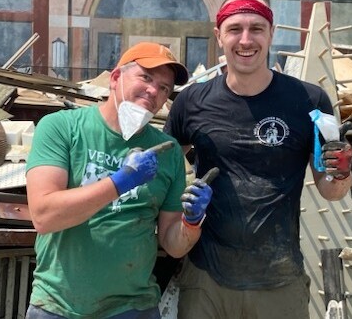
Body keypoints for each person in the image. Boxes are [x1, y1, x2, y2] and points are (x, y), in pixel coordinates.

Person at [163, 0, 352, 318]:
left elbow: (330, 188)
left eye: (257, 28)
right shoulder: (191, 101)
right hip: (207, 278)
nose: (246, 39)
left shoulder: (309, 100)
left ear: (271, 33)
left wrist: (341, 172)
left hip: (279, 281)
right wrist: (180, 208)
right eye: (235, 29)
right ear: (219, 36)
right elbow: (165, 170)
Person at [25, 42, 213, 319]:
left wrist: (192, 222)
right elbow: (44, 216)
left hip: (133, 307)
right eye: (146, 78)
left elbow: (173, 245)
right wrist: (120, 182)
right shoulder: (60, 127)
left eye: (163, 88)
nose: (153, 91)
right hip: (58, 305)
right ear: (115, 79)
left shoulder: (168, 151)